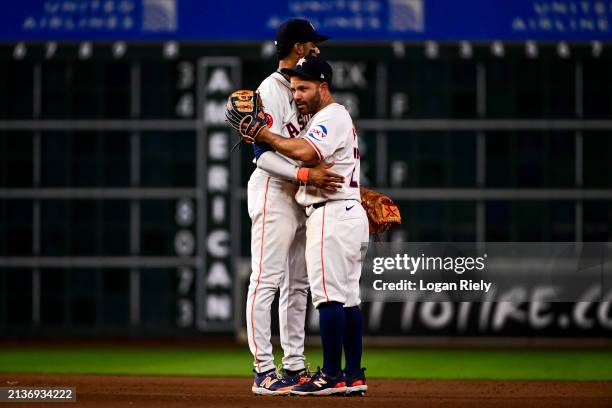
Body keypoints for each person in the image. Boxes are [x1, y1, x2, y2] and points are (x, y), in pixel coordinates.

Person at [254, 54, 369, 396]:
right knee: (348, 299)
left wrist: (265, 136)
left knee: (329, 299)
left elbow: (305, 152)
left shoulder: (331, 115)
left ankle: (331, 376)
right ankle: (353, 375)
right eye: (292, 89)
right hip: (347, 213)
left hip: (331, 215)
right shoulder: (334, 117)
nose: (296, 95)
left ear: (323, 86)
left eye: (303, 88)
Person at [246, 19, 344, 396]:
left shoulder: (306, 91)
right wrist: (304, 173)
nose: (317, 48)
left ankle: (293, 366)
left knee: (298, 284)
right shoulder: (270, 89)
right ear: (299, 47)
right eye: (312, 44)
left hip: (302, 191)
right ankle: (262, 371)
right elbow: (261, 156)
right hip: (274, 188)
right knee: (266, 279)